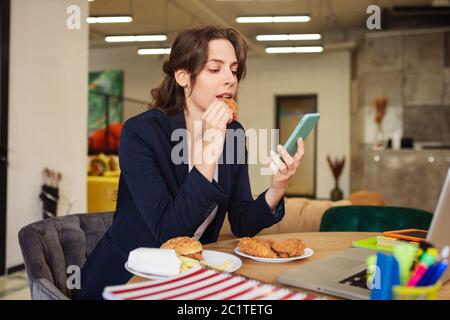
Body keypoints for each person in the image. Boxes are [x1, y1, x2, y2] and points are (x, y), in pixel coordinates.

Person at [78, 26, 305, 299]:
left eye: (233, 70)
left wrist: (277, 188)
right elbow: (170, 234)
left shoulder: (233, 132)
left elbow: (242, 222)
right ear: (183, 75)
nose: (230, 79)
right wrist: (210, 149)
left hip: (191, 277)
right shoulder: (141, 133)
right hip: (129, 277)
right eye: (214, 69)